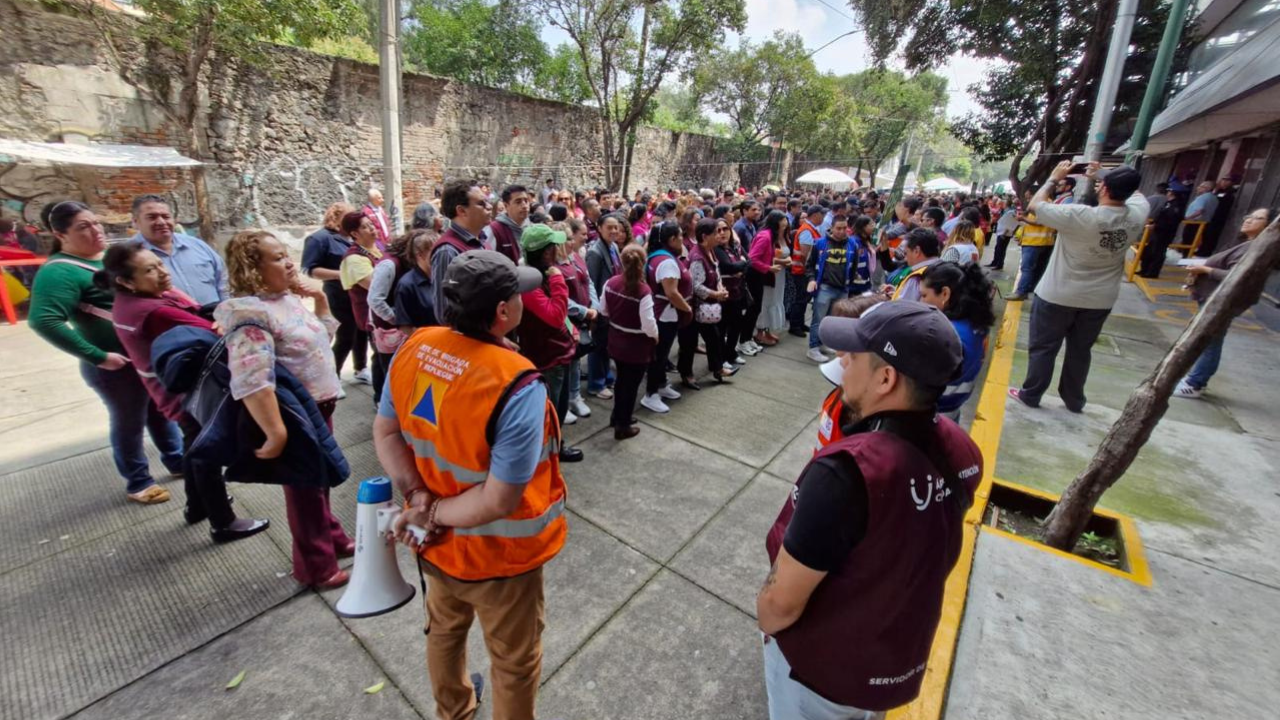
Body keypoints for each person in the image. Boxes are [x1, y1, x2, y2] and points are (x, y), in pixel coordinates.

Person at [758, 301, 983, 719]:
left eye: (853, 354)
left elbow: (781, 604)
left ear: (885, 378)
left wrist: (766, 624)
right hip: (892, 660)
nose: (842, 360)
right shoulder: (961, 448)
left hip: (820, 676)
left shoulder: (846, 474)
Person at [375, 249, 566, 720]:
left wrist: (419, 498)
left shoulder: (415, 346)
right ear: (503, 313)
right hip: (500, 558)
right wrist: (431, 511)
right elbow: (500, 497)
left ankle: (454, 711)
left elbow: (386, 431)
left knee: (443, 631)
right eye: (517, 294)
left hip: (436, 547)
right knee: (514, 664)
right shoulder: (517, 385)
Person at [97, 241, 270, 541]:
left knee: (193, 447)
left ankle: (197, 505)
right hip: (185, 392)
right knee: (206, 451)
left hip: (169, 387)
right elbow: (211, 330)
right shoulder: (152, 311)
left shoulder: (131, 300)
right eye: (150, 269)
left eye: (160, 264)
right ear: (126, 281)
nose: (162, 272)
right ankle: (223, 522)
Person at [216, 230, 354, 589]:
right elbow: (251, 379)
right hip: (293, 415)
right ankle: (315, 567)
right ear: (253, 267)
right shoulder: (250, 314)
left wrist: (320, 301)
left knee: (319, 481)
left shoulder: (285, 299)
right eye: (277, 258)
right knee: (305, 490)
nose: (289, 262)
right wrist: (276, 431)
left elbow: (320, 342)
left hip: (317, 407)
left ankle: (333, 539)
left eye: (284, 254)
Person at [29, 200, 184, 505]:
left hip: (144, 357)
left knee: (160, 411)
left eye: (96, 223)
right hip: (114, 365)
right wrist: (97, 356)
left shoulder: (108, 260)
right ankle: (138, 481)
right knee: (129, 421)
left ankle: (176, 459)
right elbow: (44, 320)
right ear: (60, 235)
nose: (95, 231)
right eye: (83, 227)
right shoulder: (60, 273)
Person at [1008, 161, 1147, 413]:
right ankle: (1074, 400)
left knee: (1044, 347)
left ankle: (1031, 394)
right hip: (1100, 299)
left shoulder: (1081, 215)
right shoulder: (1137, 214)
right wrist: (1105, 174)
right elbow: (1137, 194)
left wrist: (1053, 177)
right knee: (1081, 351)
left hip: (1057, 293)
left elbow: (1035, 206)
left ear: (1103, 188)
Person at [1174, 207, 1277, 399]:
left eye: (1257, 218)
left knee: (1211, 340)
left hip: (1222, 299)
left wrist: (1205, 270)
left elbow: (1237, 275)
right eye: (1250, 216)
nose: (1249, 220)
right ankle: (1195, 379)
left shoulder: (1254, 248)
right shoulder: (1248, 243)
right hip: (1215, 297)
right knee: (1207, 338)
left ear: (1269, 226)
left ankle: (1196, 383)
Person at [518, 224, 585, 463]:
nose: (560, 249)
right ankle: (547, 455)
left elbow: (560, 317)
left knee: (560, 406)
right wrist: (558, 280)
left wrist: (571, 328)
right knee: (551, 410)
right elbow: (554, 314)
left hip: (560, 350)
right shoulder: (531, 283)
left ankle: (556, 447)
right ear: (546, 252)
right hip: (548, 356)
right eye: (554, 246)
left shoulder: (543, 273)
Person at [919, 262, 996, 420]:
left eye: (924, 295)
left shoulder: (946, 335)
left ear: (945, 294)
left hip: (929, 417)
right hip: (952, 410)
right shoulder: (977, 326)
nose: (920, 302)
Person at [303, 202, 365, 392]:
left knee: (362, 331)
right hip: (337, 293)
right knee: (345, 334)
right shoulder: (320, 239)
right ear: (336, 217)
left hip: (357, 293)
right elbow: (310, 269)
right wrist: (341, 274)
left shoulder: (353, 237)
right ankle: (333, 375)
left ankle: (360, 367)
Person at [601, 244, 658, 440]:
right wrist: (656, 336)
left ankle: (617, 416)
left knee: (621, 381)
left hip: (616, 341)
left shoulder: (611, 283)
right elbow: (649, 324)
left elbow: (603, 310)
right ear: (642, 264)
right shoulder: (643, 291)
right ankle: (622, 425)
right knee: (631, 385)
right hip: (636, 347)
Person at [129, 194, 228, 306]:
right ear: (135, 222)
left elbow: (223, 282)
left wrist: (227, 313)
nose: (161, 222)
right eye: (152, 217)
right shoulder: (129, 256)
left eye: (166, 216)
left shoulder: (197, 245)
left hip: (216, 320)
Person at [804, 216, 872, 363]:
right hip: (825, 287)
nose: (842, 231)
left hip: (843, 288)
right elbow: (809, 265)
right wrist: (812, 280)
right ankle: (813, 348)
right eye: (838, 228)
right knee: (818, 319)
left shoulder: (852, 244)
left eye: (844, 228)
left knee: (831, 319)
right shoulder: (820, 244)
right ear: (832, 228)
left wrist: (851, 282)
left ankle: (823, 343)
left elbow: (854, 266)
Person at [368, 230, 424, 405]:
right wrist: (398, 320)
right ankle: (383, 402)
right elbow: (375, 299)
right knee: (387, 366)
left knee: (383, 362)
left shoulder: (408, 265)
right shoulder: (390, 265)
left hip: (398, 327)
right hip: (387, 327)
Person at [641, 221, 691, 414]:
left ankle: (661, 384)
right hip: (664, 314)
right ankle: (650, 394)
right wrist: (687, 309)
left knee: (662, 354)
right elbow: (672, 293)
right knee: (659, 355)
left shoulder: (657, 256)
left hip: (663, 313)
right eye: (680, 236)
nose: (682, 240)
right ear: (671, 239)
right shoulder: (667, 261)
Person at [681, 218, 735, 388]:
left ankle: (717, 368)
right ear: (705, 236)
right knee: (689, 342)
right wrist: (715, 294)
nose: (720, 235)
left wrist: (720, 287)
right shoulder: (697, 257)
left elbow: (716, 273)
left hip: (707, 307)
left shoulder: (711, 251)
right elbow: (695, 286)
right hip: (694, 308)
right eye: (716, 232)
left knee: (714, 338)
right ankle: (686, 374)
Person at [556, 218, 597, 424]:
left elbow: (588, 282)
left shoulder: (576, 258)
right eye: (568, 239)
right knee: (567, 362)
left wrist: (594, 306)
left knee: (576, 360)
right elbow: (562, 298)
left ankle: (574, 396)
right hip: (568, 319)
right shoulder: (554, 266)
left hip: (582, 318)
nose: (572, 242)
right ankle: (566, 399)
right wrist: (584, 311)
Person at [431, 181, 491, 316]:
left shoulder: (482, 241)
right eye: (481, 203)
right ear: (462, 211)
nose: (489, 207)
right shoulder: (447, 251)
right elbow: (444, 310)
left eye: (487, 202)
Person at [338, 211, 383, 387]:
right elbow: (375, 285)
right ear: (355, 234)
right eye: (365, 226)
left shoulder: (379, 246)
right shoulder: (354, 258)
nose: (372, 228)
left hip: (385, 309)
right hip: (372, 313)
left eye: (371, 224)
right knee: (380, 354)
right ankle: (380, 397)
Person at [585, 213, 625, 398]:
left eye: (616, 227)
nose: (614, 231)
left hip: (613, 304)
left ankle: (607, 378)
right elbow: (591, 282)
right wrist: (596, 309)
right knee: (598, 345)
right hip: (601, 305)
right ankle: (596, 383)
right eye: (609, 227)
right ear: (599, 228)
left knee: (607, 344)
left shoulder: (614, 247)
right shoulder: (595, 252)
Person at [715, 212, 757, 362]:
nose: (722, 233)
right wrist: (740, 265)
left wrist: (740, 267)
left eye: (725, 229)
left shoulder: (735, 246)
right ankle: (721, 358)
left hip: (738, 293)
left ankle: (731, 353)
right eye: (717, 230)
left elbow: (749, 262)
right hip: (723, 296)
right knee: (722, 329)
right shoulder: (716, 250)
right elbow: (727, 266)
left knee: (736, 325)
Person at [750, 210, 792, 347]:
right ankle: (759, 332)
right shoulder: (765, 237)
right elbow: (753, 258)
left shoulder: (779, 235)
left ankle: (767, 330)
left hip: (778, 275)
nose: (785, 224)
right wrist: (770, 267)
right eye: (783, 221)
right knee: (766, 303)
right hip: (767, 276)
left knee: (774, 301)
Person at [788, 206, 825, 338]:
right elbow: (805, 254)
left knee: (804, 299)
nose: (823, 218)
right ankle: (795, 325)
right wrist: (809, 270)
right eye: (822, 215)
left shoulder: (812, 229)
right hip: (801, 270)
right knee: (800, 299)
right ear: (815, 215)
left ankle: (800, 323)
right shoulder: (807, 231)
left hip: (804, 270)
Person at [393, 229, 440, 328]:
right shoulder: (407, 285)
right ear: (420, 255)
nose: (440, 254)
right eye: (434, 251)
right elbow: (405, 327)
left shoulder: (444, 276)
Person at [1137, 186, 1185, 278]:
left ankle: (1152, 272)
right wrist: (1153, 223)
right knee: (1149, 251)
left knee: (1157, 253)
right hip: (1157, 231)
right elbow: (1161, 216)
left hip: (1164, 233)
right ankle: (1144, 270)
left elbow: (1171, 221)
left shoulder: (1176, 206)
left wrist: (1156, 225)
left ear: (1171, 193)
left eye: (1169, 191)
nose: (1167, 193)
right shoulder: (1168, 203)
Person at [888, 228, 942, 301]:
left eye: (906, 253)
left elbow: (902, 308)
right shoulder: (943, 266)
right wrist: (897, 292)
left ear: (916, 251)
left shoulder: (916, 278)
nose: (905, 259)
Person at [483, 184, 531, 264]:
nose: (524, 205)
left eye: (526, 201)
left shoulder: (531, 228)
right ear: (506, 205)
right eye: (518, 202)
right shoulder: (494, 230)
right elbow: (487, 262)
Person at [1197, 178, 1237, 257]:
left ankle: (1207, 252)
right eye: (1223, 180)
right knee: (1205, 233)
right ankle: (1201, 249)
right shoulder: (1217, 192)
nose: (1224, 182)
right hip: (1210, 216)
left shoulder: (1230, 192)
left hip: (1219, 217)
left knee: (1212, 235)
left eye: (1227, 180)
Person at [1182, 181, 1218, 251]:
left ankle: (1185, 255)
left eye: (1201, 186)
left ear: (1207, 188)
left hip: (1194, 222)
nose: (1198, 188)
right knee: (1196, 241)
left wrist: (1187, 217)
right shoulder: (1214, 198)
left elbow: (1200, 210)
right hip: (1205, 223)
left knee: (1188, 240)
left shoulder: (1202, 197)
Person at [988, 201, 1019, 271]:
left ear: (1006, 204)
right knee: (997, 248)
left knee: (1001, 250)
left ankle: (999, 264)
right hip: (1001, 233)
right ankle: (995, 262)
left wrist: (1004, 234)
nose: (1001, 205)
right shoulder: (1006, 211)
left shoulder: (1010, 212)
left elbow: (1010, 224)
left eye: (1003, 203)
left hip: (1004, 234)